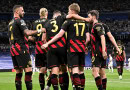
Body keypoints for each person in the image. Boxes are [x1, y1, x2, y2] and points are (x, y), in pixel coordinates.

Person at [42, 3, 90, 90]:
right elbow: (88, 38)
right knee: (81, 71)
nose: (68, 13)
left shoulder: (67, 22)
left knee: (73, 70)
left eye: (68, 11)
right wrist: (85, 45)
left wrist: (48, 43)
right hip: (81, 48)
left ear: (71, 11)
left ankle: (75, 88)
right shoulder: (84, 23)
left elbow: (59, 35)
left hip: (72, 48)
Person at [8, 5, 44, 90]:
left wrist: (31, 39)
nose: (24, 12)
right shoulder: (20, 21)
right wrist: (40, 30)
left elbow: (13, 38)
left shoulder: (10, 23)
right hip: (21, 49)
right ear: (17, 12)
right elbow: (27, 33)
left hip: (13, 49)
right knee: (28, 71)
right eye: (22, 10)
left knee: (18, 72)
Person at [87, 10, 107, 90]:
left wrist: (103, 51)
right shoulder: (94, 26)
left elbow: (102, 37)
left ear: (93, 16)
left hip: (97, 52)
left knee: (95, 72)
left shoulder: (97, 26)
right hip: (99, 51)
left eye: (89, 17)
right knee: (102, 73)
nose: (88, 19)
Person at [32, 8, 48, 90]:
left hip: (38, 48)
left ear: (39, 14)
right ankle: (48, 85)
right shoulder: (48, 22)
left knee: (41, 70)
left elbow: (31, 37)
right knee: (54, 68)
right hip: (47, 46)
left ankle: (42, 88)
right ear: (46, 14)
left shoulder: (34, 23)